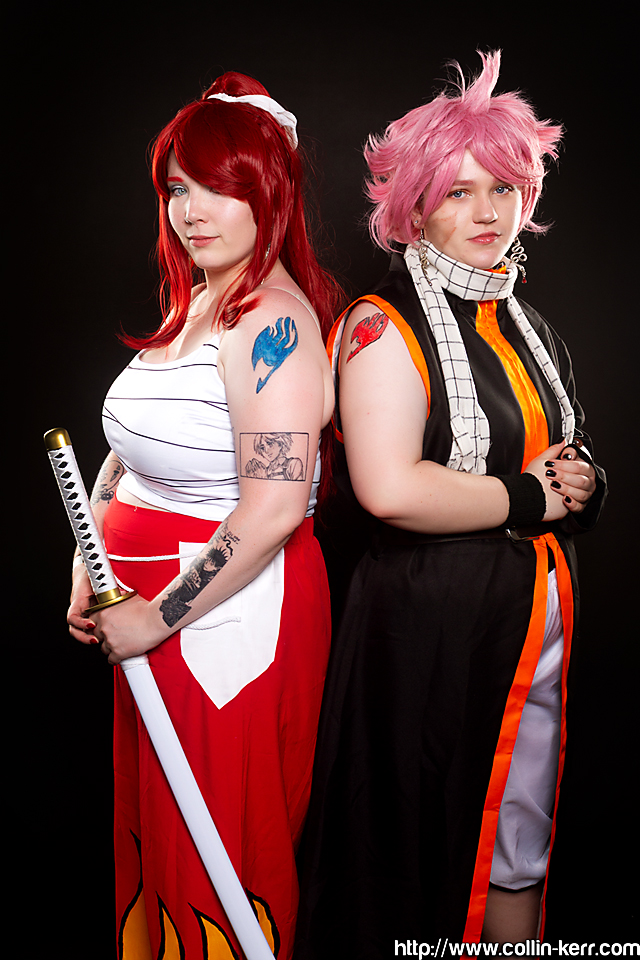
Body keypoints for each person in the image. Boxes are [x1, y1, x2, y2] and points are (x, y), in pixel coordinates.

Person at [294, 51, 606, 956]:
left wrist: (583, 485)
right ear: (414, 205)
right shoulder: (379, 322)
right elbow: (388, 487)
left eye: (503, 189)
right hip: (425, 635)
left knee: (517, 851)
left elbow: (563, 449)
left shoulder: (524, 322)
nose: (486, 212)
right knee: (419, 852)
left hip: (530, 632)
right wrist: (532, 495)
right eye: (459, 192)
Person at [67, 71, 342, 959]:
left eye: (220, 188)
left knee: (218, 850)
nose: (192, 212)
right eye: (178, 189)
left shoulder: (273, 327)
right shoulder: (196, 302)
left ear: (271, 192)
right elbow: (133, 444)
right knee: (162, 836)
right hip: (142, 611)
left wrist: (155, 616)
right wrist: (90, 556)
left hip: (225, 626)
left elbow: (273, 509)